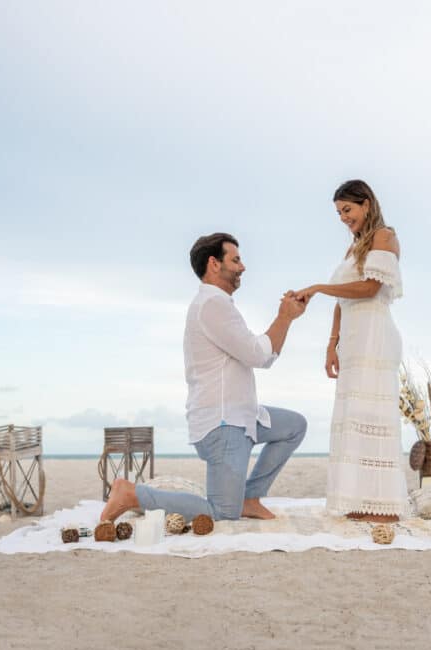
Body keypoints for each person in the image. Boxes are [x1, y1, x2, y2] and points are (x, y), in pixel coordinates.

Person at [100, 232, 309, 523]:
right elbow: (258, 355)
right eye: (235, 260)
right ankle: (132, 494)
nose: (243, 267)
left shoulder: (218, 304)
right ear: (214, 263)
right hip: (223, 426)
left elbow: (266, 354)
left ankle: (249, 497)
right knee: (222, 513)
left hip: (243, 417)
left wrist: (286, 319)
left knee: (294, 426)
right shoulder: (212, 305)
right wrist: (284, 317)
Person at [294, 180, 408, 522]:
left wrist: (317, 287)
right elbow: (343, 302)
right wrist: (332, 345)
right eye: (339, 213)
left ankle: (384, 506)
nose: (343, 217)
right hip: (353, 340)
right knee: (353, 417)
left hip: (374, 334)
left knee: (373, 415)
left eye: (348, 210)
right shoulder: (354, 248)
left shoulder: (383, 236)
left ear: (366, 204)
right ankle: (361, 500)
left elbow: (370, 288)